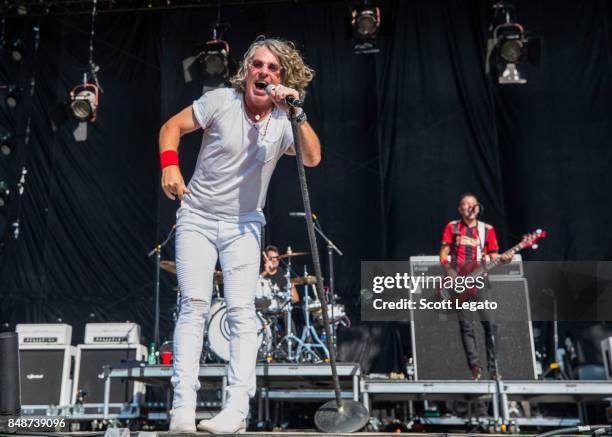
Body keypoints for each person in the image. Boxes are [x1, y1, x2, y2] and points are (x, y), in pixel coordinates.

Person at [159, 37, 320, 433]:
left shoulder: (285, 122)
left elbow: (313, 157)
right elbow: (171, 127)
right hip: (197, 215)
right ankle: (183, 406)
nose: (264, 73)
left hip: (245, 224)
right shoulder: (221, 101)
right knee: (193, 306)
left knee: (242, 314)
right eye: (258, 66)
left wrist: (296, 112)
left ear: (282, 78)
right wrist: (170, 166)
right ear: (247, 71)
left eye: (273, 69)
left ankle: (236, 410)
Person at [439, 193, 511, 380]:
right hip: (460, 282)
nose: (470, 207)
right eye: (466, 204)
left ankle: (494, 369)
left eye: (474, 204)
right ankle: (475, 368)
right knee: (467, 326)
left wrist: (504, 259)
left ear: (478, 208)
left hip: (481, 281)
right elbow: (443, 254)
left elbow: (493, 255)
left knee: (490, 324)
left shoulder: (487, 229)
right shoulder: (452, 227)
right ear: (460, 209)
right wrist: (451, 273)